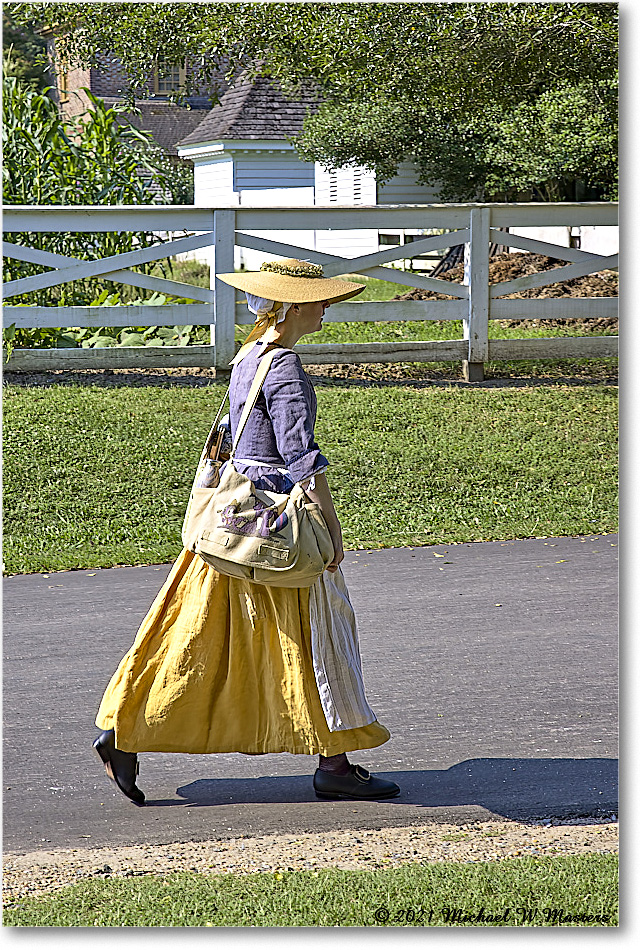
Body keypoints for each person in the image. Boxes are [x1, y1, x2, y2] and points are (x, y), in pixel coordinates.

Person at [93, 259, 400, 805]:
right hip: (276, 527)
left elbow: (234, 439)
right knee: (316, 631)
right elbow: (301, 457)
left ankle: (124, 730)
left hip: (232, 523)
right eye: (319, 299)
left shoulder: (248, 357)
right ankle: (333, 763)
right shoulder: (282, 366)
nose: (326, 307)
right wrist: (331, 526)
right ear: (294, 306)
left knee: (195, 634)